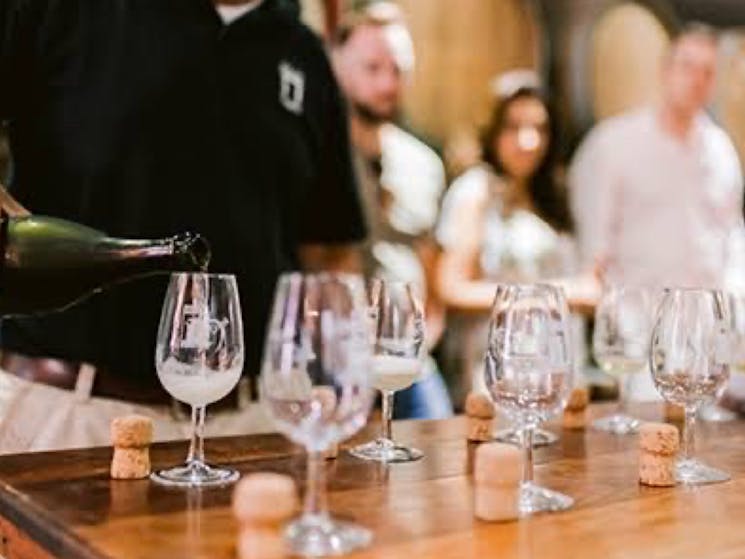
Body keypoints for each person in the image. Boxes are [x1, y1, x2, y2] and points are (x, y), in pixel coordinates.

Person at [0, 0, 367, 452]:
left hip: (257, 421)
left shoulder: (303, 50)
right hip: (68, 412)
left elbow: (329, 250)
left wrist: (339, 381)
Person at [569, 24, 745, 406]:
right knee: (643, 442)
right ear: (665, 71)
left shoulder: (720, 149)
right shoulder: (613, 144)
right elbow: (593, 251)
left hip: (706, 339)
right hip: (639, 334)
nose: (696, 80)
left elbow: (732, 237)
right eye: (687, 66)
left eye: (707, 71)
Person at [331, 1, 452, 419]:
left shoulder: (425, 164)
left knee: (442, 458)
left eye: (398, 69)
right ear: (338, 65)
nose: (387, 83)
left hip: (410, 360)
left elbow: (431, 262)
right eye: (372, 68)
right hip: (333, 361)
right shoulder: (316, 157)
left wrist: (428, 334)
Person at [436, 73, 579, 403]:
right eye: (514, 127)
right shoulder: (476, 190)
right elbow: (451, 288)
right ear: (493, 129)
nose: (528, 141)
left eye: (539, 129)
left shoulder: (551, 195)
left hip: (551, 367)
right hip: (496, 370)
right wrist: (554, 298)